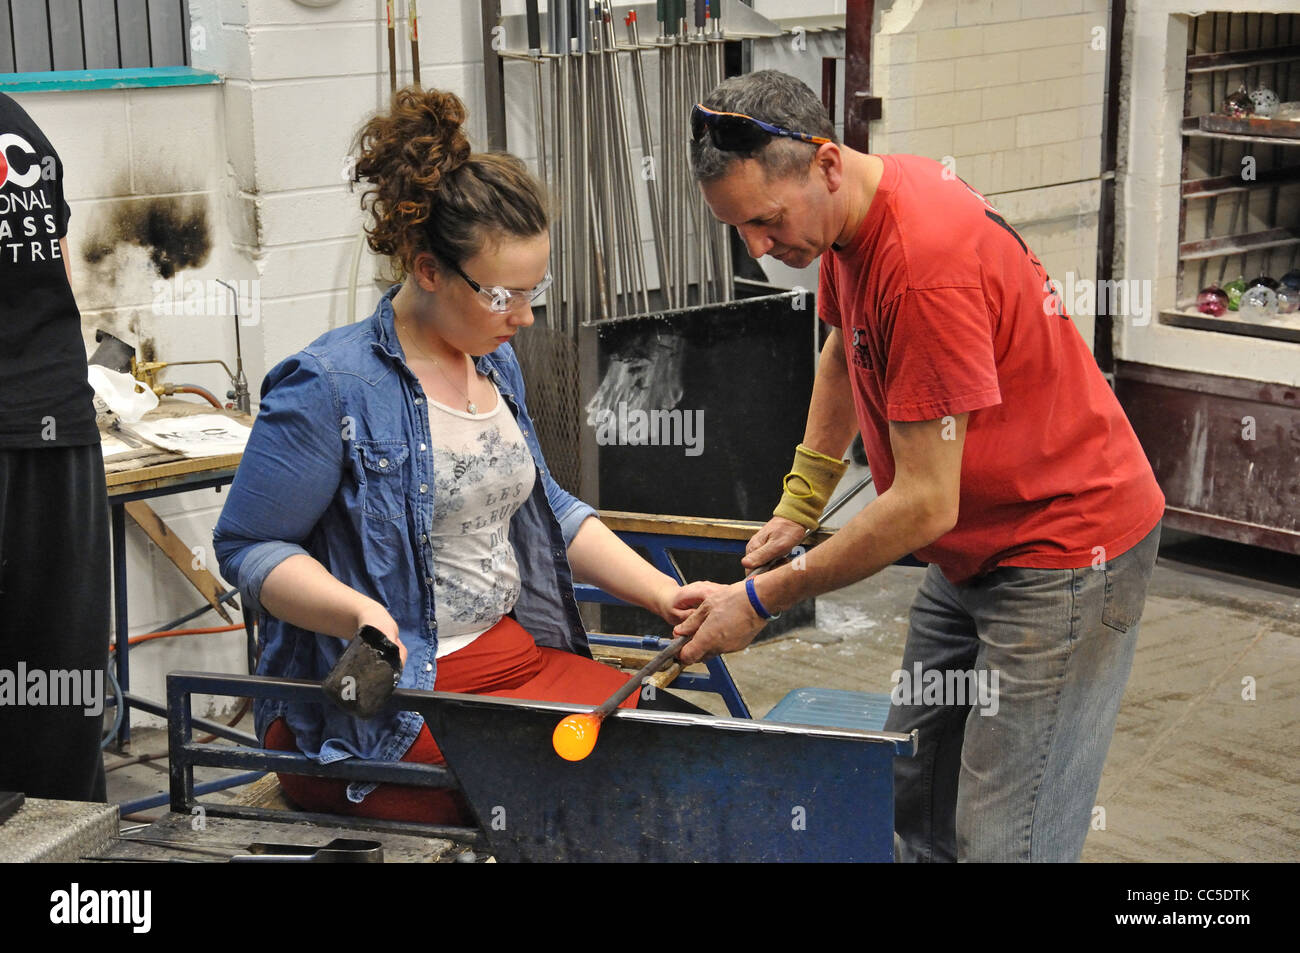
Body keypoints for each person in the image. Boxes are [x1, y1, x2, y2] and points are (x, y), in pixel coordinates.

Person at [675, 71, 1166, 862]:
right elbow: (842, 349)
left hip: (1064, 550)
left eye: (766, 221)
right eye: (740, 230)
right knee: (911, 803)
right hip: (975, 544)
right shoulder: (851, 217)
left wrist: (763, 598)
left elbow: (923, 504)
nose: (760, 249)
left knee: (1006, 840)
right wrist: (802, 501)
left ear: (827, 164)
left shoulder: (923, 261)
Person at [213, 87, 707, 824]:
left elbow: (546, 508)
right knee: (571, 795)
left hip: (511, 659)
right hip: (386, 700)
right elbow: (249, 545)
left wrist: (660, 593)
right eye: (503, 294)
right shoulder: (330, 386)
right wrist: (359, 614)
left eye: (534, 292)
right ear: (428, 268)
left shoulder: (491, 360)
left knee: (673, 752)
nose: (525, 317)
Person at [0, 92, 110, 802]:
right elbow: (58, 271)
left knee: (54, 681)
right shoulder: (18, 125)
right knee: (55, 679)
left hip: (45, 419)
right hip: (55, 418)